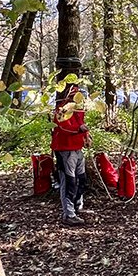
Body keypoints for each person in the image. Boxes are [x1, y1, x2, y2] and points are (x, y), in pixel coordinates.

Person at [51, 83, 90, 226]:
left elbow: (81, 123)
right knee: (69, 182)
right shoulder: (62, 109)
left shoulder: (79, 109)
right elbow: (62, 126)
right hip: (65, 150)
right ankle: (68, 214)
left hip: (77, 148)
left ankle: (77, 206)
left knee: (81, 179)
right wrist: (79, 129)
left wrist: (86, 136)